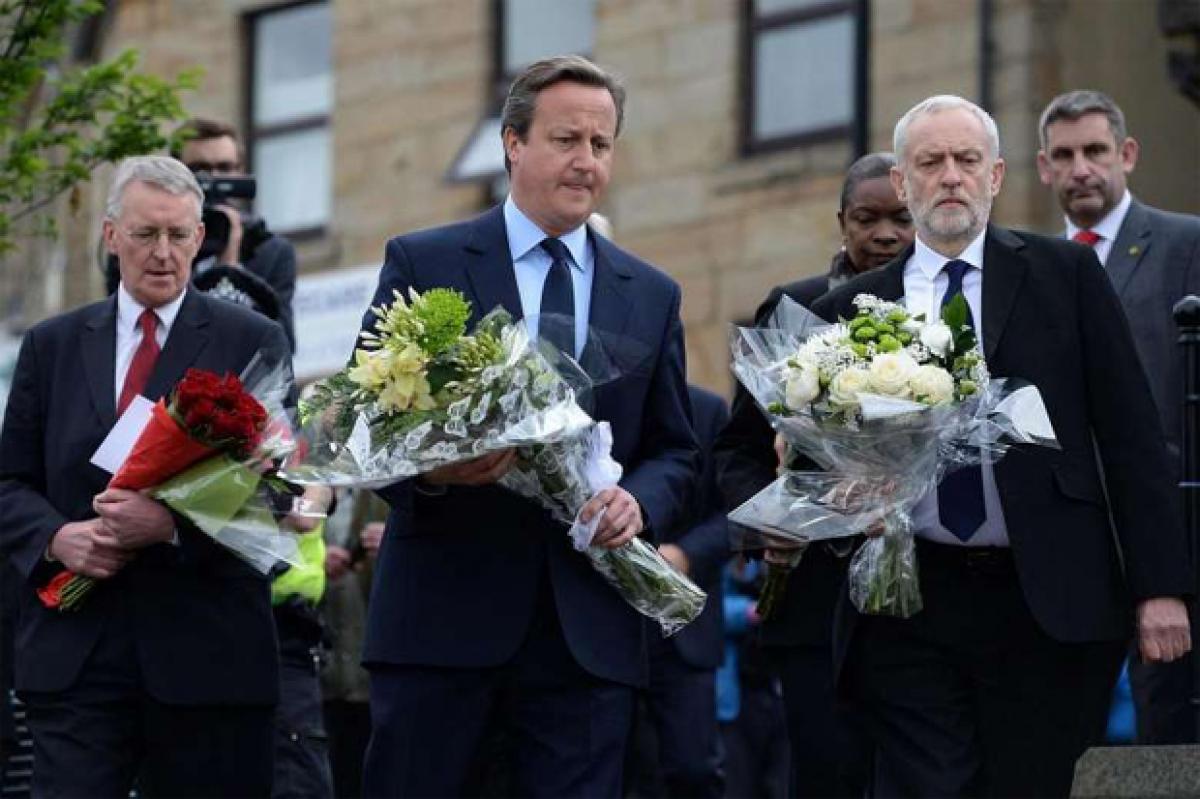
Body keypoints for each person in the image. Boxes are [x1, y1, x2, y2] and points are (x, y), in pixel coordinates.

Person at [807, 95, 1191, 797]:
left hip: (1046, 598)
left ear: (996, 176)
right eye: (931, 162)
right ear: (901, 183)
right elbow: (816, 460)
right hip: (908, 602)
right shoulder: (850, 310)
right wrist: (844, 495)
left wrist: (1160, 584)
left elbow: (1131, 433)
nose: (950, 176)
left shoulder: (1066, 278)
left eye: (966, 160)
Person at [359, 55, 697, 797]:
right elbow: (366, 424)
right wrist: (435, 471)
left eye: (601, 145)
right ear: (513, 142)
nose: (586, 163)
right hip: (442, 626)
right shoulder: (426, 260)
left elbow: (675, 446)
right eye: (566, 139)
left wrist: (639, 500)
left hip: (587, 641)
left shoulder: (651, 292)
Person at [0, 155, 291, 795]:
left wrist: (170, 524)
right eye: (145, 234)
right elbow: (9, 484)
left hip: (206, 654)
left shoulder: (253, 340)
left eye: (179, 235)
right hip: (77, 652)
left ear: (198, 238)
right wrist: (56, 539)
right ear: (111, 237)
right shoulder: (51, 346)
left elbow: (274, 489)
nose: (163, 253)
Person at [713, 151, 912, 798]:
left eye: (901, 217)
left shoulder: (945, 308)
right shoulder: (796, 308)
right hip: (813, 604)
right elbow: (736, 450)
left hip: (923, 602)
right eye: (867, 217)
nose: (885, 233)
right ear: (841, 222)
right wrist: (771, 520)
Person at [1037, 89, 1200, 745]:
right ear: (1043, 168)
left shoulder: (1188, 244)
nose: (1082, 168)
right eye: (1065, 155)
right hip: (1069, 547)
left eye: (1096, 151)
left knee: (1170, 739)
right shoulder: (1032, 266)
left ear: (1126, 155)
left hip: (1175, 537)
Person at [630, 384, 729, 798]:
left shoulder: (706, 409)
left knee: (693, 769)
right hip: (600, 619)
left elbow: (737, 508)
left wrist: (687, 554)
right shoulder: (603, 401)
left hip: (682, 622)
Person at [174, 117, 298, 351]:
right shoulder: (151, 246)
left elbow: (281, 346)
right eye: (200, 171)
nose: (214, 180)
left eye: (224, 168)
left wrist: (230, 269)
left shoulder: (271, 251)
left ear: (240, 172)